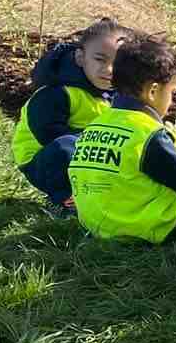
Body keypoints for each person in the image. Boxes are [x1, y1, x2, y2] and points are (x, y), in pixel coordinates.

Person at [68, 33, 176, 242]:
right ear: (153, 91)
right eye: (172, 92)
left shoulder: (97, 123)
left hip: (98, 224)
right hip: (144, 227)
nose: (171, 101)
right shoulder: (147, 134)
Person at [12, 17, 125, 207]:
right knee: (66, 148)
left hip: (86, 154)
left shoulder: (114, 93)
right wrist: (95, 144)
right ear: (80, 58)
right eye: (100, 59)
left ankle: (100, 192)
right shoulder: (56, 92)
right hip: (44, 160)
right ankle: (65, 199)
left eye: (118, 62)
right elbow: (47, 133)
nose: (109, 69)